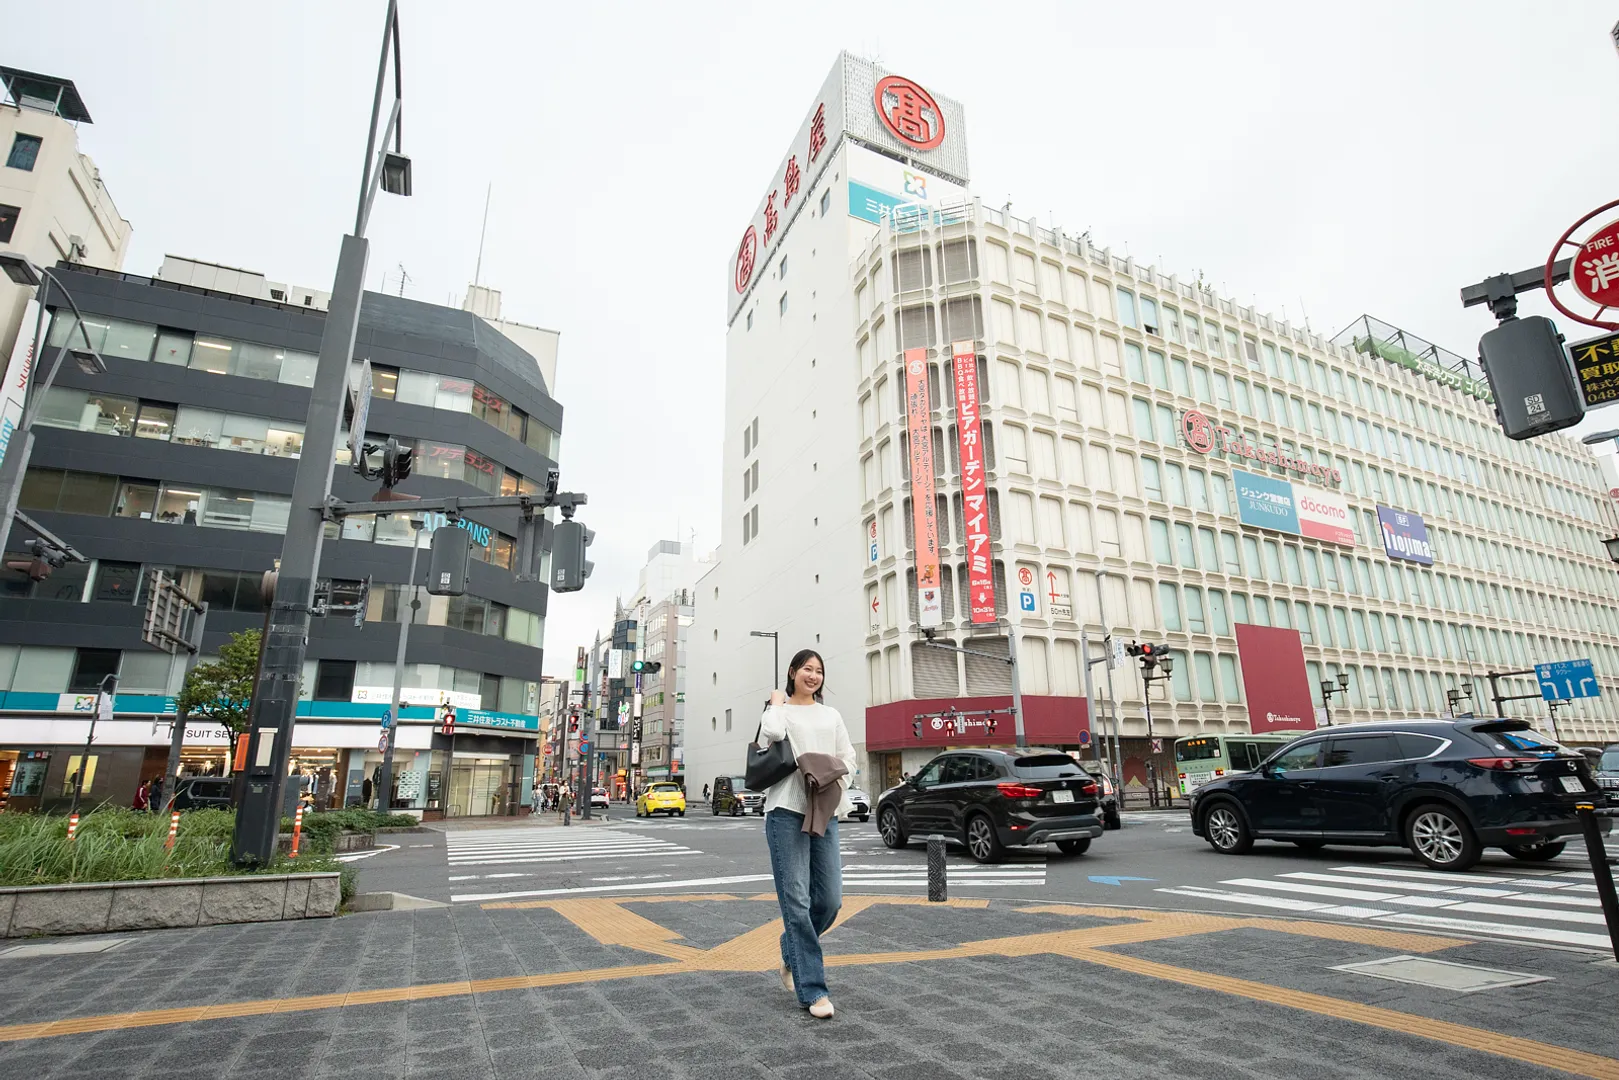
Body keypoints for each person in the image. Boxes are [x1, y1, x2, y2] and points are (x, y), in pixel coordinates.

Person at [756, 649, 855, 1020]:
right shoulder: (780, 711)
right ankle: (813, 990)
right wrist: (776, 702)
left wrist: (822, 771)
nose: (813, 676)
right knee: (795, 902)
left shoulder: (831, 715)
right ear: (793, 672)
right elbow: (772, 734)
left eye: (819, 671)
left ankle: (789, 952)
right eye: (807, 670)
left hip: (824, 811)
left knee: (829, 901)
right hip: (784, 813)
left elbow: (849, 757)